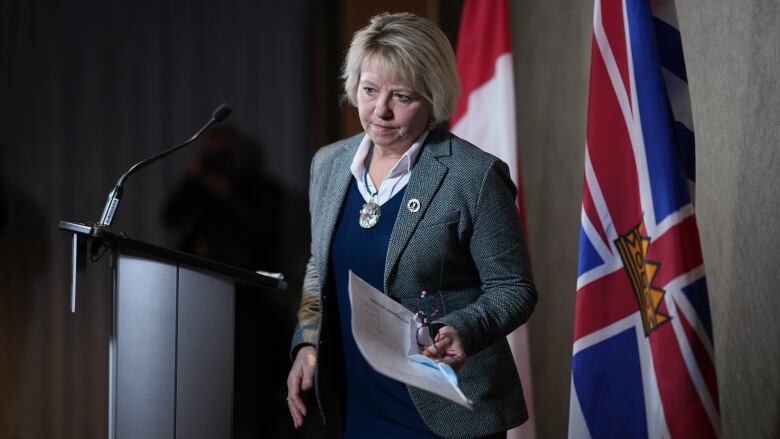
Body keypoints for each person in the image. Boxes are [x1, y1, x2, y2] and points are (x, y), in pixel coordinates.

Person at [286, 12, 537, 439]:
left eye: (401, 97)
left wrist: (464, 328)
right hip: (359, 403)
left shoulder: (473, 176)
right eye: (369, 90)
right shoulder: (328, 165)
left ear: (433, 98)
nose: (380, 111)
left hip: (450, 412)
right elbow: (318, 266)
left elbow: (514, 288)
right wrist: (307, 342)